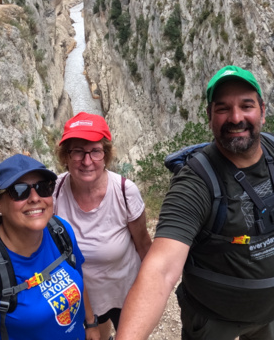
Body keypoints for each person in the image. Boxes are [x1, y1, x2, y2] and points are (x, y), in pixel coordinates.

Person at [116, 65, 274, 340]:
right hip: (213, 320)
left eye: (246, 105)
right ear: (210, 116)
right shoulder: (196, 182)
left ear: (262, 109)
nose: (236, 117)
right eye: (223, 108)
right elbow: (161, 270)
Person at [0, 154, 100, 340]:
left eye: (43, 188)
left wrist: (90, 324)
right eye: (19, 191)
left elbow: (78, 277)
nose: (34, 198)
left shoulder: (61, 232)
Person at [54, 112, 152, 340]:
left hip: (125, 291)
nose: (87, 161)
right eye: (77, 151)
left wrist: (151, 292)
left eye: (95, 151)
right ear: (65, 156)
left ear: (105, 155)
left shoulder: (125, 192)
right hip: (81, 297)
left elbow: (143, 244)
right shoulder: (54, 192)